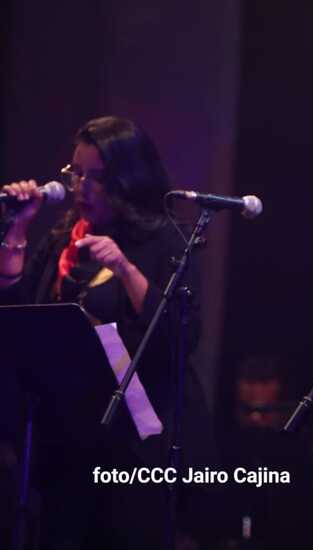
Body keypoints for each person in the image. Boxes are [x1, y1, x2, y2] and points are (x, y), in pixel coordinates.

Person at [0, 116, 214, 549]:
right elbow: (19, 314)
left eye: (96, 177)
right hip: (65, 439)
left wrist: (124, 268)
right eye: (76, 173)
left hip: (132, 448)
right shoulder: (64, 239)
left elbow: (180, 336)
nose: (82, 187)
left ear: (127, 179)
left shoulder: (166, 242)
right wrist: (18, 229)